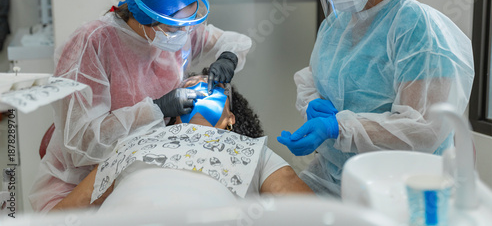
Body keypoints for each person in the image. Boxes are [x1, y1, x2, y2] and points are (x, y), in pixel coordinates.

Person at [277, 0, 474, 196]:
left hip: (400, 186)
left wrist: (339, 128)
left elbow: (422, 129)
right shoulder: (338, 23)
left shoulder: (416, 27)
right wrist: (311, 105)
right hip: (333, 176)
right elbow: (312, 78)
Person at [29, 0, 252, 212]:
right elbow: (83, 143)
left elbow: (232, 42)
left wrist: (228, 57)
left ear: (230, 120)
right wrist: (156, 109)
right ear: (146, 19)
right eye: (174, 27)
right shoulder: (94, 44)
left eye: (188, 25)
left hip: (134, 173)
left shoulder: (180, 31)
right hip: (81, 182)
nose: (185, 33)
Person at [43, 71, 313, 212]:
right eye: (190, 86)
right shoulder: (136, 142)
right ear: (174, 111)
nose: (199, 89)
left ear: (231, 117)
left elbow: (302, 207)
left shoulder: (251, 151)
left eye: (212, 89)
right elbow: (74, 206)